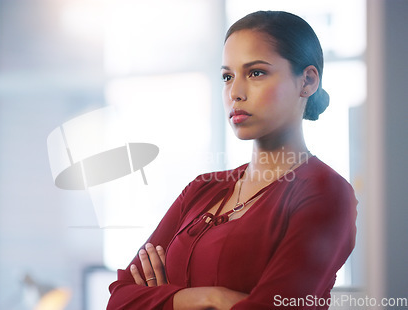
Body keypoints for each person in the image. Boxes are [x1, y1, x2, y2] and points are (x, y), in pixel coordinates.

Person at [107, 10, 357, 310]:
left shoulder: (326, 193)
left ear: (307, 81)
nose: (235, 93)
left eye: (256, 73)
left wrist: (163, 300)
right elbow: (120, 300)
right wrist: (210, 298)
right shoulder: (202, 189)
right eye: (228, 77)